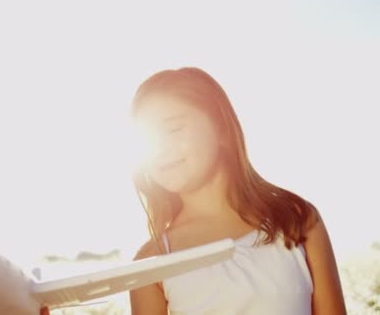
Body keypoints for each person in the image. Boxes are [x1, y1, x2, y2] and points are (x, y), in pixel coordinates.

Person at [128, 67, 346, 315]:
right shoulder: (150, 262)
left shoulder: (296, 219)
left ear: (221, 129)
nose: (159, 148)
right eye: (148, 136)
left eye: (174, 129)